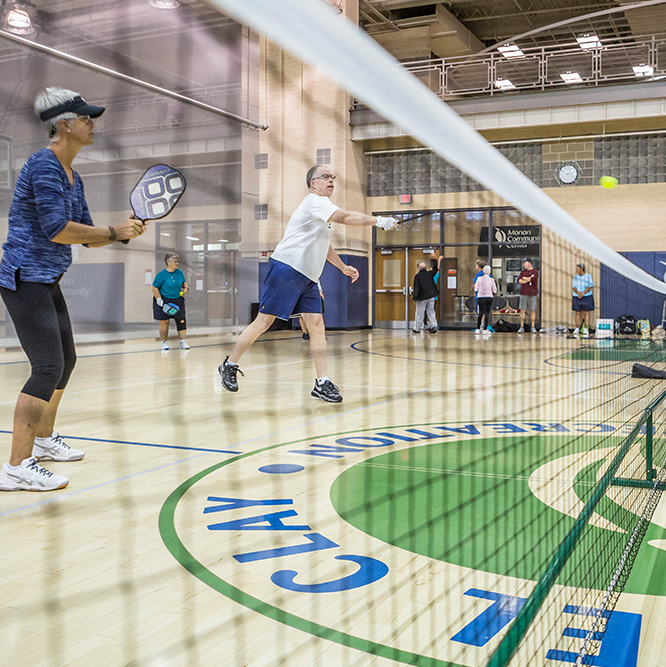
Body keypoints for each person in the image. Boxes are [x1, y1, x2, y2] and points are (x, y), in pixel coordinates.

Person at [0, 87, 145, 492]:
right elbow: (58, 230)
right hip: (24, 278)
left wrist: (120, 233)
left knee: (66, 361)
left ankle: (44, 441)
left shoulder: (72, 176)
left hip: (47, 280)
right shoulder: (44, 166)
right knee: (46, 367)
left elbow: (87, 236)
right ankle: (16, 465)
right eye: (85, 118)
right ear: (65, 124)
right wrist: (113, 231)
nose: (92, 124)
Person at [218, 165, 396, 402]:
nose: (331, 180)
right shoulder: (314, 202)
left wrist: (342, 267)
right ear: (313, 183)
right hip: (287, 268)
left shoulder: (323, 211)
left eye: (333, 177)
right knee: (264, 322)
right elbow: (345, 217)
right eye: (325, 177)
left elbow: (324, 245)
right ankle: (229, 364)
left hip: (309, 278)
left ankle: (322, 383)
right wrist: (379, 220)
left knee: (317, 325)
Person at [152, 253, 190, 350]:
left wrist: (186, 289)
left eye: (177, 261)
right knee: (164, 321)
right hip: (164, 300)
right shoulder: (161, 275)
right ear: (168, 262)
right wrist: (159, 299)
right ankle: (164, 343)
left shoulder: (179, 273)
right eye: (175, 261)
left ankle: (182, 342)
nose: (177, 263)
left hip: (177, 300)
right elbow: (155, 287)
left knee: (181, 320)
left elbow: (184, 284)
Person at [412, 261, 438, 333]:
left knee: (420, 313)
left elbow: (416, 288)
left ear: (419, 268)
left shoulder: (417, 276)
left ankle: (417, 328)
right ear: (425, 268)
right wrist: (434, 259)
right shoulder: (429, 274)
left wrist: (415, 298)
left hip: (422, 297)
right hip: (431, 296)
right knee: (431, 311)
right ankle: (434, 325)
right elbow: (436, 269)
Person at [517, 258, 539, 333]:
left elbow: (533, 280)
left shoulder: (535, 271)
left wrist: (526, 279)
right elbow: (519, 280)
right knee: (522, 310)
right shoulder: (523, 272)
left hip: (532, 294)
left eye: (525, 263)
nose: (523, 265)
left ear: (529, 263)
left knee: (532, 310)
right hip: (523, 293)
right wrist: (528, 278)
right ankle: (521, 326)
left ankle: (532, 326)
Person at [572, 262, 594, 334]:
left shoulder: (588, 276)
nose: (576, 270)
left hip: (587, 296)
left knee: (586, 313)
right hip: (576, 296)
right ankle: (577, 328)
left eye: (578, 269)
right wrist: (578, 293)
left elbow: (590, 286)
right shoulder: (576, 277)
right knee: (577, 312)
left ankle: (585, 328)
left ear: (582, 269)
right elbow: (573, 287)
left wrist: (583, 293)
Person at [474, 265, 497, 334]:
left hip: (480, 297)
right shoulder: (492, 280)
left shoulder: (479, 279)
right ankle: (485, 329)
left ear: (483, 271)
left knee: (480, 312)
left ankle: (478, 328)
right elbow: (494, 290)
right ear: (489, 272)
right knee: (486, 313)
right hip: (489, 297)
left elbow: (476, 289)